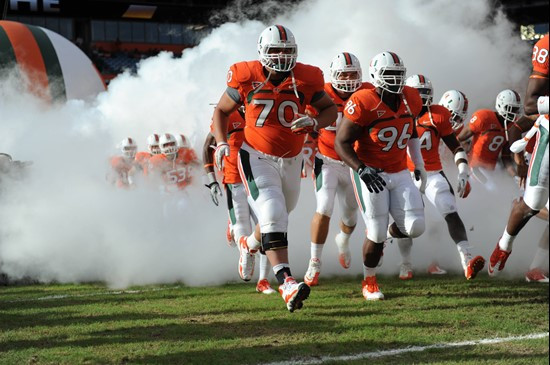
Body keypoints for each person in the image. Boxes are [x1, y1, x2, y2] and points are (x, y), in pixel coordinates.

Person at [211, 25, 337, 312]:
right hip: (255, 155)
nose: (281, 57)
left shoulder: (307, 77)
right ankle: (287, 282)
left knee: (280, 213)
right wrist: (220, 143)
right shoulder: (246, 74)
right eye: (275, 51)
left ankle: (249, 244)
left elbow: (330, 109)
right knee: (272, 211)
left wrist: (315, 122)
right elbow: (221, 110)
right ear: (262, 52)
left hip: (291, 160)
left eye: (286, 51)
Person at [335, 51, 427, 301]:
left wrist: (418, 163)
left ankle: (386, 233)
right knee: (374, 233)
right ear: (376, 76)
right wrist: (361, 168)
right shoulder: (363, 100)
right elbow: (341, 143)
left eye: (399, 74)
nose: (396, 80)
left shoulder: (411, 98)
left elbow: (412, 131)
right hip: (371, 173)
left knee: (416, 227)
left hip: (399, 170)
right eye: (389, 74)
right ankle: (369, 281)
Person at [395, 74, 485, 281]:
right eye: (417, 93)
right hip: (402, 174)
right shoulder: (394, 113)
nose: (421, 97)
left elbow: (456, 146)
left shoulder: (438, 115)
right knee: (406, 223)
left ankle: (467, 259)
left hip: (432, 172)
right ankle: (405, 262)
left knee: (449, 209)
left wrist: (463, 171)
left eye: (425, 93)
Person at [303, 52, 373, 286]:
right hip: (328, 160)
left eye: (352, 73)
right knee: (324, 206)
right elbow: (308, 124)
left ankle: (343, 239)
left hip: (355, 163)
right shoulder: (322, 93)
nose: (348, 78)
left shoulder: (367, 92)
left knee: (351, 215)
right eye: (343, 73)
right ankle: (315, 261)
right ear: (333, 75)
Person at [489, 33, 549, 278]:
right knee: (533, 203)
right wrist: (519, 160)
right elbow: (530, 105)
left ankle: (536, 267)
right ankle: (504, 246)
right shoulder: (546, 46)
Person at [202, 107, 276, 294]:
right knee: (242, 227)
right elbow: (207, 147)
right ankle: (240, 238)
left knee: (267, 227)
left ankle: (264, 280)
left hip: (256, 179)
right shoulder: (230, 114)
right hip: (234, 181)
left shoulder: (264, 111)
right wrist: (212, 181)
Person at [456, 89, 521, 189]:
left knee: (507, 191)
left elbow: (506, 157)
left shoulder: (512, 127)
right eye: (511, 108)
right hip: (475, 167)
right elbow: (459, 139)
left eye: (516, 109)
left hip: (492, 170)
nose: (514, 112)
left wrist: (515, 176)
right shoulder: (484, 117)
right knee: (493, 189)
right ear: (500, 105)